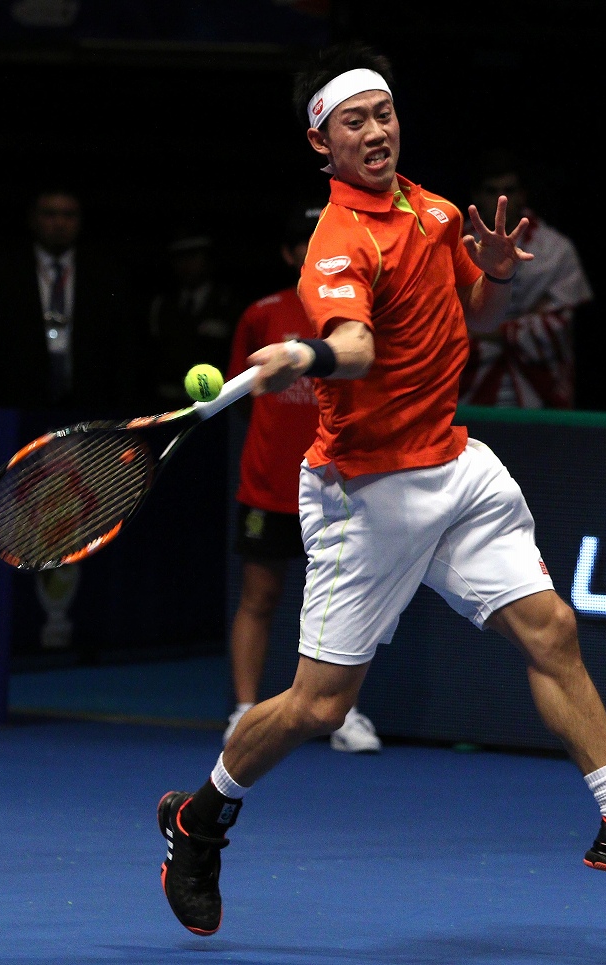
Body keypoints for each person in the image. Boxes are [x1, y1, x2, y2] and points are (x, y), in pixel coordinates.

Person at [155, 41, 606, 939]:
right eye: (354, 122)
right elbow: (357, 347)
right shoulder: (337, 244)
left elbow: (471, 312)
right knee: (319, 705)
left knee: (552, 628)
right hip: (365, 494)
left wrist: (493, 272)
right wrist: (308, 350)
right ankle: (200, 817)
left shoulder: (437, 210)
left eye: (383, 113)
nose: (376, 132)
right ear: (322, 142)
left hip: (455, 465)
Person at [222, 201, 381, 754]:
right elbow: (244, 395)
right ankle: (244, 712)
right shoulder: (262, 314)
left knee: (346, 607)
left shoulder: (358, 313)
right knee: (259, 597)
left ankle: (342, 713)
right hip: (269, 485)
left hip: (342, 483)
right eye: (307, 243)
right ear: (291, 254)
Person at [0, 186, 134, 410]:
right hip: (19, 402)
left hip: (88, 403)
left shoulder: (105, 276)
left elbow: (121, 350)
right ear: (33, 219)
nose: (59, 223)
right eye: (50, 214)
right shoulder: (2, 274)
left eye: (68, 215)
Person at [457, 150, 592, 409]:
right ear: (476, 195)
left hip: (540, 392)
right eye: (491, 191)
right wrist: (524, 322)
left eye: (509, 190)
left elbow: (557, 327)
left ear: (522, 194)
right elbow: (443, 319)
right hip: (467, 390)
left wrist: (484, 329)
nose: (501, 199)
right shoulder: (455, 244)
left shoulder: (556, 249)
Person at [146, 231, 247, 409]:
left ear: (208, 259)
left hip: (218, 405)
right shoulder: (161, 305)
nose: (186, 264)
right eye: (180, 257)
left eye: (193, 256)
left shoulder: (231, 304)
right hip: (167, 404)